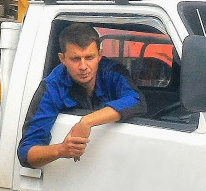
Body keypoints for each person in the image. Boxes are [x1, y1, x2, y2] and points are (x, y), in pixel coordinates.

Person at [18, 23, 145, 167]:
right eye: (75, 59)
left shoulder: (113, 72)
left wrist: (86, 122)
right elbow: (26, 153)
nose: (83, 66)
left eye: (89, 57)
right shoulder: (52, 87)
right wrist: (61, 150)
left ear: (100, 56)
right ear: (62, 59)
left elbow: (136, 100)